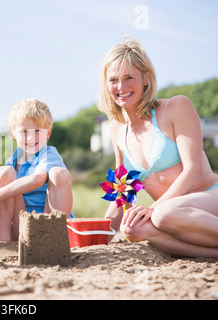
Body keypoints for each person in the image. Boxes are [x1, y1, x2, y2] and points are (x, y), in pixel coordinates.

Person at [97, 36, 218, 258]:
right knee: (132, 228)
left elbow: (193, 172)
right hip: (171, 214)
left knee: (162, 214)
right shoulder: (115, 128)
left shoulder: (176, 107)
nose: (121, 87)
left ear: (146, 78)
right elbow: (123, 191)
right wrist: (98, 233)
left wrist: (153, 209)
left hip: (209, 197)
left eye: (129, 77)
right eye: (113, 79)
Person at [0, 99, 74, 242]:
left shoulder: (49, 154)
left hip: (48, 224)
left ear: (48, 133)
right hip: (21, 228)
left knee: (59, 174)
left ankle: (54, 240)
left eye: (38, 131)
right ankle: (5, 241)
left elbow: (38, 179)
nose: (31, 137)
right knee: (2, 172)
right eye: (24, 132)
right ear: (13, 134)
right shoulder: (14, 159)